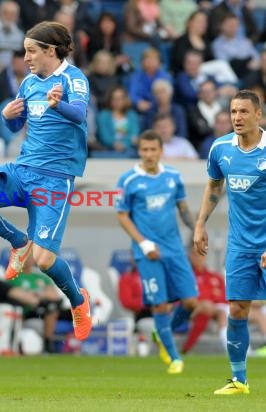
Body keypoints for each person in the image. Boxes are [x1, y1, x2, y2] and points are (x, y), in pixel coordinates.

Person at [0, 21, 93, 342]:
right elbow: (18, 127)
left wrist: (61, 105)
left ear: (50, 51)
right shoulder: (29, 83)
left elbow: (80, 115)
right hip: (22, 169)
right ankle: (18, 241)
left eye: (32, 50)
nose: (26, 57)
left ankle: (77, 300)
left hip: (55, 179)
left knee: (44, 261)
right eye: (25, 50)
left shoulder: (74, 79)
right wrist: (8, 116)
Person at [193, 89, 266, 395]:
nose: (237, 118)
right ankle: (239, 380)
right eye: (234, 112)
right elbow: (214, 185)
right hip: (240, 245)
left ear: (258, 115)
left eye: (244, 112)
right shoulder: (220, 148)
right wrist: (200, 223)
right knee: (237, 308)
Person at [116, 130, 198, 374]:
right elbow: (122, 216)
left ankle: (162, 332)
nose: (149, 154)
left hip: (174, 249)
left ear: (161, 151)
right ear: (139, 151)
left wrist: (196, 231)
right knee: (160, 305)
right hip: (147, 252)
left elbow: (183, 207)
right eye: (145, 150)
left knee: (191, 302)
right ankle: (174, 358)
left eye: (153, 150)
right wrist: (143, 243)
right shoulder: (128, 180)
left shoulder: (173, 176)